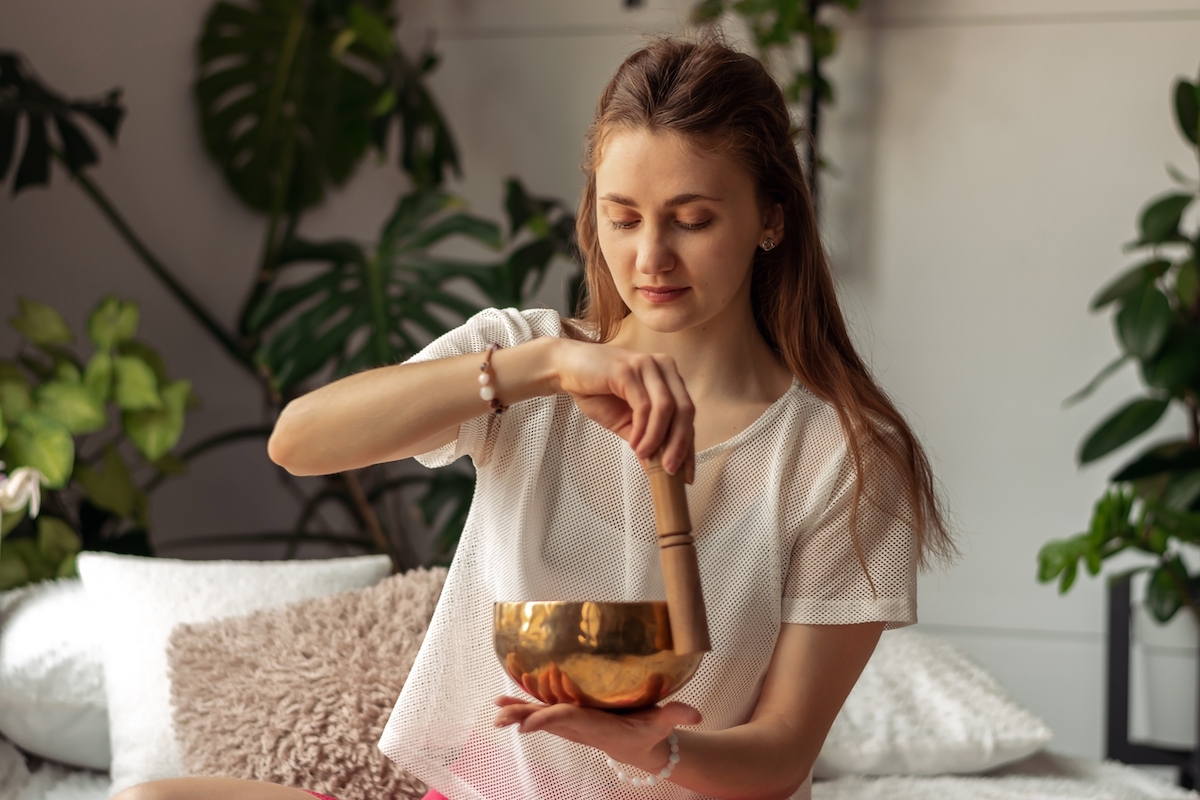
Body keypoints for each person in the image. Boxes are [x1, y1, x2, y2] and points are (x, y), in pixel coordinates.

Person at [116, 35, 952, 800]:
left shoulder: (840, 455)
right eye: (623, 218)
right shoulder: (521, 363)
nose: (649, 258)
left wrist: (645, 749)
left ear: (773, 218)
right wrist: (541, 368)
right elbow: (298, 441)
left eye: (692, 220)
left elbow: (781, 754)